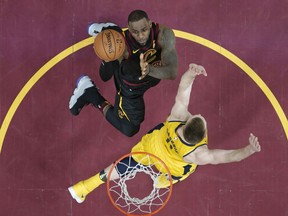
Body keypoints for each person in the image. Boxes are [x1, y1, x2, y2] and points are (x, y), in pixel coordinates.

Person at [68, 63, 261, 203]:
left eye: (198, 116)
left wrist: (190, 73)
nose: (199, 113)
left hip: (150, 147)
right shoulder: (198, 154)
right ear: (201, 139)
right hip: (172, 168)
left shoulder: (179, 116)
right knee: (171, 178)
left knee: (124, 164)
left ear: (187, 122)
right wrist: (249, 150)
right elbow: (229, 156)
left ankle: (83, 187)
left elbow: (183, 90)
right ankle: (164, 181)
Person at [69, 10, 178, 137]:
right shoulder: (122, 48)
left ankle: (111, 31)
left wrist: (149, 70)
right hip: (130, 86)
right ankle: (90, 92)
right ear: (129, 29)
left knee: (148, 73)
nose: (141, 36)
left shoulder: (164, 34)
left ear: (150, 24)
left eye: (144, 30)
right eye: (135, 32)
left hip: (151, 76)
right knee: (130, 128)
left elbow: (172, 72)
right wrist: (108, 56)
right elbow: (104, 77)